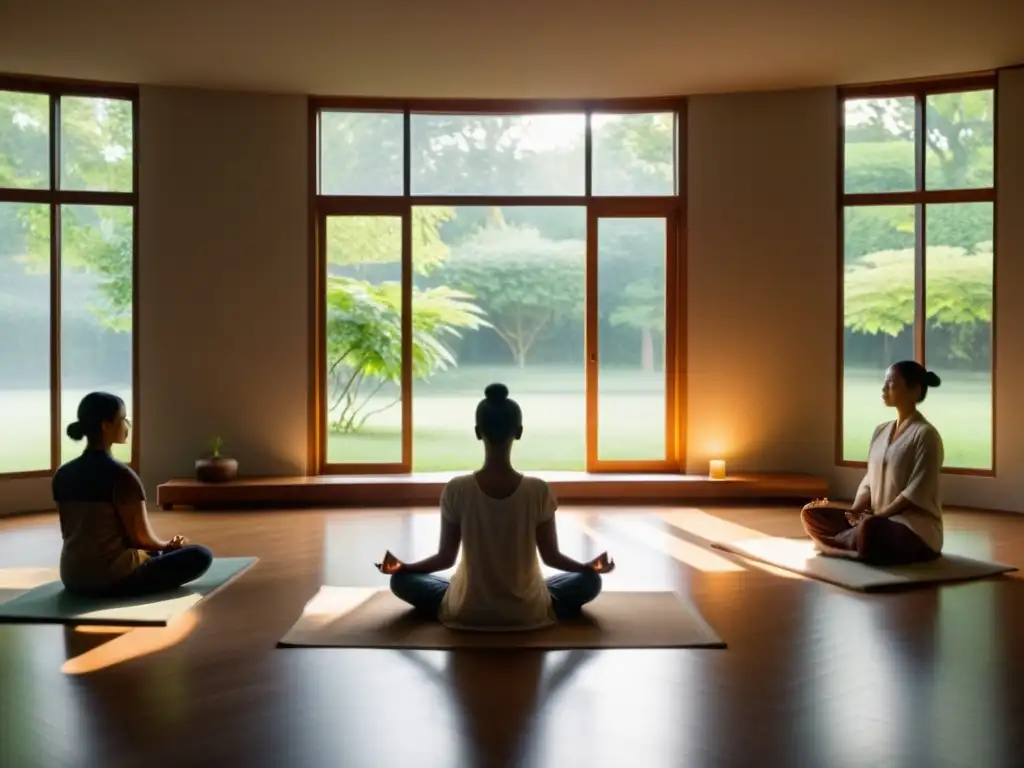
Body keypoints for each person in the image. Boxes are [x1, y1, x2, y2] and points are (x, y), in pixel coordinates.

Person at [376, 383, 615, 630]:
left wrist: (405, 568)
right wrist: (587, 568)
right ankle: (538, 604)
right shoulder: (538, 490)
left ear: (478, 432)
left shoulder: (457, 489)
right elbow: (551, 557)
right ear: (519, 431)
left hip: (467, 610)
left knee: (401, 581)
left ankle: (461, 602)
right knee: (590, 582)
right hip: (527, 611)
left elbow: (445, 559)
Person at [52, 392, 213, 597]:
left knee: (155, 554)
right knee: (200, 555)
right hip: (112, 579)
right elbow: (141, 540)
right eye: (123, 419)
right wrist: (170, 546)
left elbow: (79, 534)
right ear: (106, 425)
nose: (127, 425)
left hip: (73, 577)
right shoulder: (121, 476)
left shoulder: (62, 474)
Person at [801, 361, 945, 565]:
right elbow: (870, 479)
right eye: (884, 383)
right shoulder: (881, 431)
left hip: (913, 530)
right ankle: (852, 542)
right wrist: (855, 510)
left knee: (872, 530)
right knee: (812, 514)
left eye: (891, 384)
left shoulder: (926, 435)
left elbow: (916, 491)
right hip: (876, 520)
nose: (884, 389)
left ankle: (842, 543)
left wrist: (880, 517)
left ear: (914, 390)